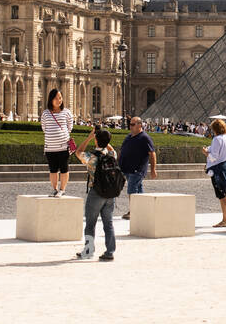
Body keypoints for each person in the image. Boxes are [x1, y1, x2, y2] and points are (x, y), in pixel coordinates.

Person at [74, 127, 121, 261]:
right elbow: (111, 149)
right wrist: (105, 141)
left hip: (96, 193)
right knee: (108, 223)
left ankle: (88, 250)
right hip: (110, 194)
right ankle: (110, 251)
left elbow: (78, 152)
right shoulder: (112, 155)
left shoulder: (91, 157)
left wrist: (89, 137)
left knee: (90, 224)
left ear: (96, 140)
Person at [117, 116, 158, 221]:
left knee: (132, 190)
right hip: (127, 168)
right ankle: (142, 210)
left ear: (139, 125)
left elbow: (152, 154)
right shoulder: (129, 136)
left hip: (137, 169)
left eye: (132, 124)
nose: (130, 126)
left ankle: (133, 212)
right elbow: (122, 150)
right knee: (138, 190)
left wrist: (153, 169)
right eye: (129, 124)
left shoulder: (145, 137)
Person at [42, 88, 75, 197]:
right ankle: (55, 189)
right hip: (50, 147)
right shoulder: (45, 113)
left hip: (63, 147)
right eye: (56, 98)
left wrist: (61, 134)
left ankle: (62, 189)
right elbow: (44, 128)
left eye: (60, 98)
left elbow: (70, 127)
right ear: (51, 99)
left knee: (64, 169)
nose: (58, 100)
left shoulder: (66, 112)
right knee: (53, 170)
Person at [205, 118, 226, 227]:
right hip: (225, 167)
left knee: (221, 194)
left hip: (218, 169)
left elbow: (214, 157)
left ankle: (225, 220)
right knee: (223, 194)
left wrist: (206, 153)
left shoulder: (217, 139)